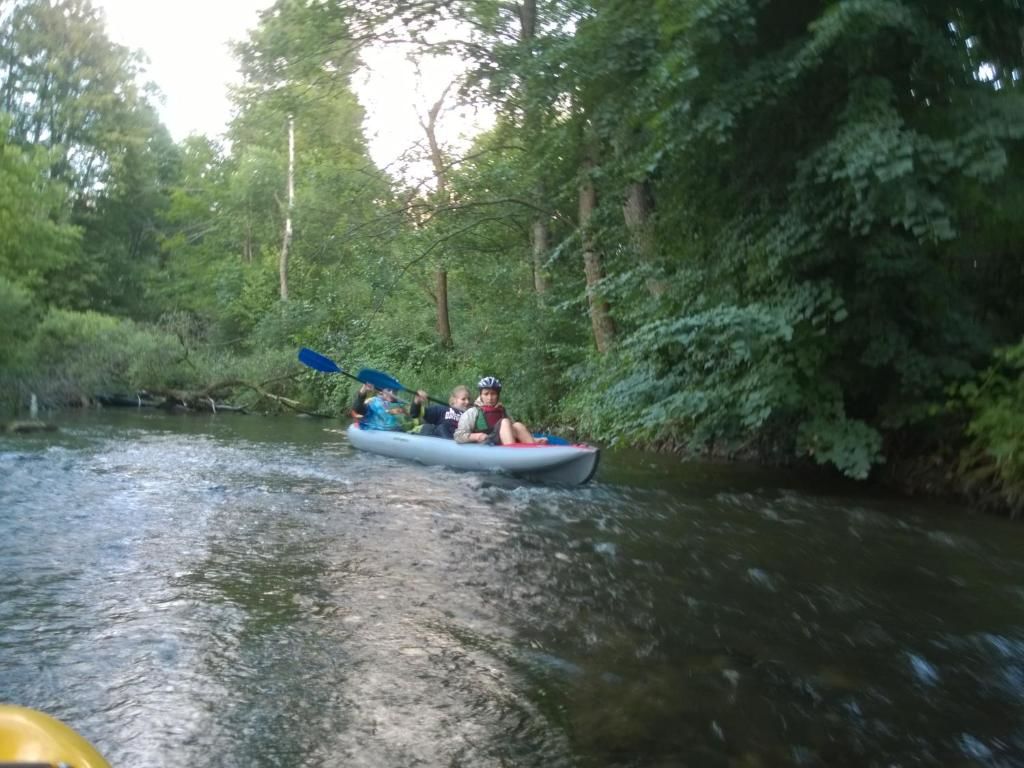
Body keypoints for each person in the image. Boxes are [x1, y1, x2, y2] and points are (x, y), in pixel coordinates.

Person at [454, 376, 547, 445]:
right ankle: (513, 453)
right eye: (486, 394)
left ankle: (533, 446)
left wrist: (533, 439)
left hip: (501, 442)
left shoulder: (502, 410)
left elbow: (514, 431)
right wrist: (476, 436)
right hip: (486, 443)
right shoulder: (472, 412)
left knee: (517, 425)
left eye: (493, 394)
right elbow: (458, 436)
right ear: (481, 395)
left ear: (497, 395)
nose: (490, 398)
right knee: (506, 422)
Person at [351, 382, 424, 431]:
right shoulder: (373, 402)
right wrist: (364, 389)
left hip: (401, 433)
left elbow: (414, 415)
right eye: (389, 390)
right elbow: (358, 409)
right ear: (381, 391)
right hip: (380, 432)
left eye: (394, 391)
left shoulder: (401, 404)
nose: (392, 393)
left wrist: (417, 402)